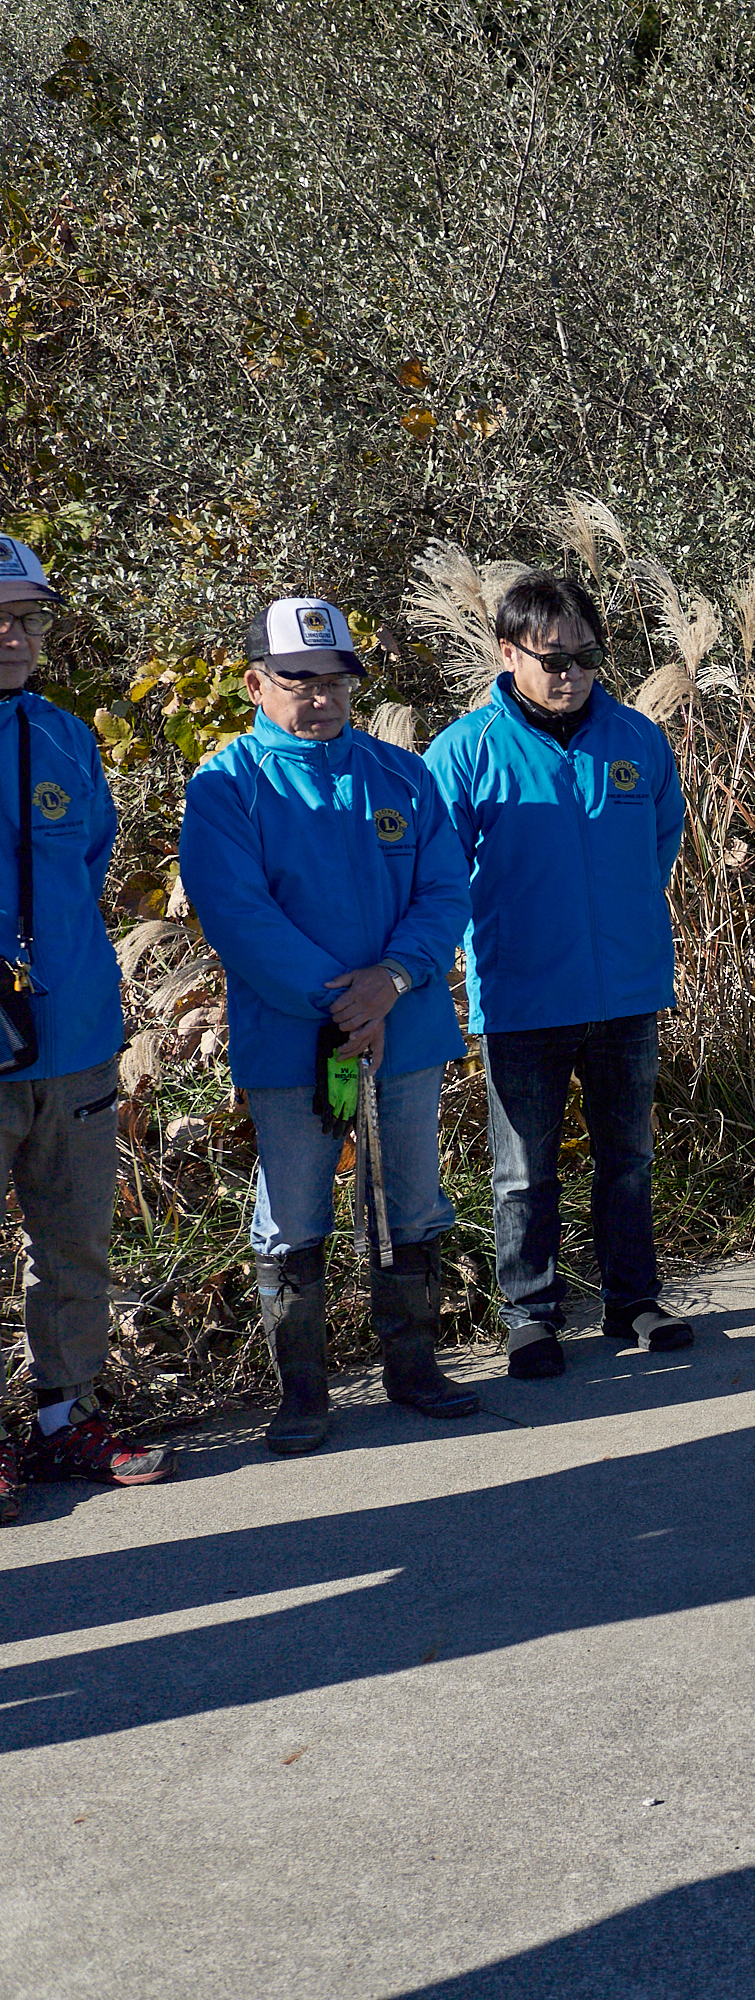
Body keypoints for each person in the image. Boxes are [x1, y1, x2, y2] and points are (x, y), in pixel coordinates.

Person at [182, 597, 481, 1453]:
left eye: (336, 679)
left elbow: (443, 893)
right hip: (295, 1044)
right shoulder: (227, 786)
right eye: (298, 679)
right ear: (256, 683)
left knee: (410, 1200)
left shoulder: (401, 776)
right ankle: (303, 1392)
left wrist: (389, 981)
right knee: (294, 1211)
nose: (321, 696)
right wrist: (338, 1003)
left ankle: (413, 1368)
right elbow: (237, 915)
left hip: (406, 1029)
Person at [425, 574, 690, 1381]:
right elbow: (437, 872)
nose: (570, 672)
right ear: (509, 654)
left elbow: (660, 845)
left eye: (585, 655)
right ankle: (531, 1314)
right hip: (524, 996)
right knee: (521, 1171)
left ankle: (632, 1300)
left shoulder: (637, 739)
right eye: (552, 657)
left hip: (625, 992)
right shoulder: (465, 749)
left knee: (628, 1159)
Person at [0, 537, 171, 1513]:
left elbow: (89, 862)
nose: (16, 632)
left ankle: (64, 1419)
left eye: (28, 615)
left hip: (71, 1041)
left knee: (74, 1243)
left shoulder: (64, 735)